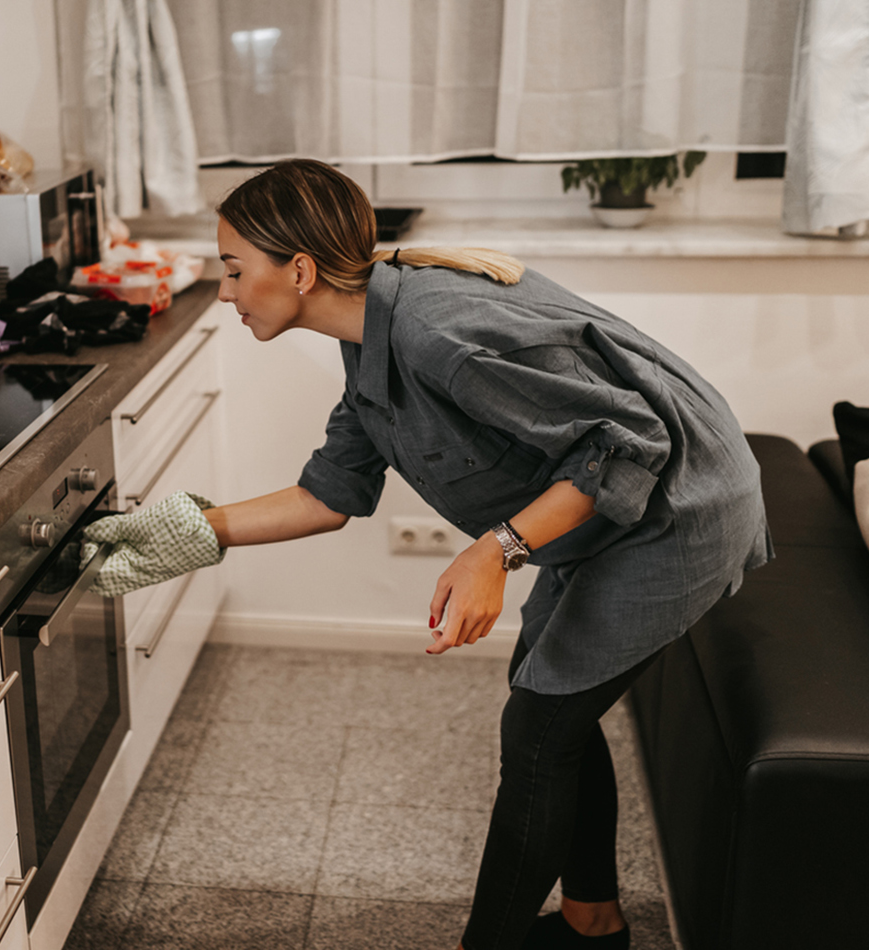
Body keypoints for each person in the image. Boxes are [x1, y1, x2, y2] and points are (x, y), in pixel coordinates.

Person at [80, 158, 771, 950]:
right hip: (606, 511)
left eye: (234, 270)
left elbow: (628, 445)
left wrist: (497, 550)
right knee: (552, 714)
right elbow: (329, 494)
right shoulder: (370, 333)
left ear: (299, 270)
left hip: (675, 512)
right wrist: (186, 533)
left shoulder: (437, 329)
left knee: (540, 730)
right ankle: (594, 925)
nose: (225, 292)